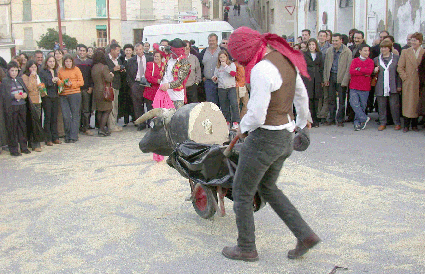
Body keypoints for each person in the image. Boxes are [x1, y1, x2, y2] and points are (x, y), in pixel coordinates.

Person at [223, 26, 319, 262]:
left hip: (265, 139)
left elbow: (256, 114)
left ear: (246, 50)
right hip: (285, 136)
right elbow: (301, 96)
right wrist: (303, 124)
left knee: (242, 191)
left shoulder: (261, 70)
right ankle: (305, 235)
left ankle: (246, 247)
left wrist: (240, 127)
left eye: (237, 55)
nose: (238, 60)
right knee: (268, 187)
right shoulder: (285, 59)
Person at [0, 61, 44, 156]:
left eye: (16, 70)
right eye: (12, 71)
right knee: (12, 128)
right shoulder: (5, 81)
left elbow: (25, 90)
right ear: (8, 71)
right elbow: (4, 95)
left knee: (22, 127)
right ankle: (14, 149)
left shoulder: (19, 79)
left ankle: (24, 147)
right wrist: (13, 96)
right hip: (12, 107)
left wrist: (24, 94)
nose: (14, 73)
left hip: (22, 105)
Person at [397, 32, 425, 132]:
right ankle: (406, 125)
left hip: (420, 82)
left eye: (415, 40)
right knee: (407, 103)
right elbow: (400, 67)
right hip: (409, 81)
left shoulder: (423, 52)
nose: (412, 42)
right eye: (411, 40)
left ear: (420, 42)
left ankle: (415, 124)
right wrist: (405, 77)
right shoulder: (405, 51)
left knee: (417, 103)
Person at [323, 33, 352, 126]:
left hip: (341, 77)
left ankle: (340, 120)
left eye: (336, 41)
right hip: (331, 77)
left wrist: (345, 80)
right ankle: (331, 118)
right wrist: (326, 78)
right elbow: (326, 66)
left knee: (342, 101)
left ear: (341, 41)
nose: (334, 43)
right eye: (333, 41)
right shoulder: (329, 51)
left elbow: (349, 67)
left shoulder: (347, 52)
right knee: (331, 99)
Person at [373, 39, 402, 131]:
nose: (383, 49)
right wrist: (374, 71)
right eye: (381, 47)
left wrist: (399, 85)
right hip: (380, 86)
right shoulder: (376, 59)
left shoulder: (396, 58)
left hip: (393, 85)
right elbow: (372, 74)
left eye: (385, 47)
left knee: (394, 106)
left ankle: (397, 123)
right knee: (381, 106)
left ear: (389, 48)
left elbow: (398, 74)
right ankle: (382, 123)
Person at [155, 38, 191, 109]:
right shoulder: (168, 57)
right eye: (175, 50)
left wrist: (168, 85)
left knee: (177, 116)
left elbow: (180, 81)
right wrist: (163, 48)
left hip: (176, 95)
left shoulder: (184, 62)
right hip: (164, 93)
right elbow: (155, 45)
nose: (176, 53)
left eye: (179, 50)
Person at [57, 55, 84, 143]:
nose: (68, 63)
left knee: (75, 115)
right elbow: (58, 80)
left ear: (72, 62)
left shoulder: (76, 69)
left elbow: (81, 82)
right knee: (66, 116)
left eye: (70, 61)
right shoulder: (61, 70)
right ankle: (67, 135)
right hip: (64, 94)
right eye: (66, 61)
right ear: (64, 62)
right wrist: (63, 83)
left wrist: (72, 84)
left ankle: (74, 135)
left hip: (74, 93)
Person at [348, 44, 374, 131]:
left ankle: (357, 123)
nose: (367, 52)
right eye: (365, 50)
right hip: (354, 86)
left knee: (362, 105)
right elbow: (352, 71)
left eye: (368, 51)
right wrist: (363, 71)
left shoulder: (370, 61)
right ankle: (364, 118)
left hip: (365, 87)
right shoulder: (355, 60)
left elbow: (369, 72)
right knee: (354, 103)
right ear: (360, 51)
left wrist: (359, 69)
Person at [212, 50, 240, 128]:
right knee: (224, 105)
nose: (222, 59)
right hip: (221, 88)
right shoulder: (217, 67)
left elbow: (233, 74)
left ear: (227, 57)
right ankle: (227, 121)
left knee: (234, 104)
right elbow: (217, 77)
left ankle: (235, 121)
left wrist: (226, 66)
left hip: (231, 87)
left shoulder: (231, 65)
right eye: (220, 57)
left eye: (224, 57)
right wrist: (215, 79)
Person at [39, 55, 62, 145]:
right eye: (50, 61)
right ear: (46, 62)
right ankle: (48, 139)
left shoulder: (56, 71)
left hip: (55, 95)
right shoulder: (43, 72)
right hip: (47, 96)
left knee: (54, 117)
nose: (52, 63)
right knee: (48, 117)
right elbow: (42, 84)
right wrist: (52, 81)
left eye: (53, 61)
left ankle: (55, 137)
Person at [91, 51, 115, 136]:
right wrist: (111, 75)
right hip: (104, 91)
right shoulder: (104, 67)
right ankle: (101, 129)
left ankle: (100, 128)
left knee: (100, 110)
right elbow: (108, 79)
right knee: (107, 109)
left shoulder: (94, 67)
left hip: (96, 91)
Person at [22, 60, 43, 151]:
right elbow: (29, 88)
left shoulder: (37, 76)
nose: (33, 69)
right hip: (31, 101)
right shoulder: (26, 76)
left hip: (38, 99)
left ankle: (34, 141)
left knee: (37, 121)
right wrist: (32, 76)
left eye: (35, 67)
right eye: (31, 67)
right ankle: (35, 143)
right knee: (34, 122)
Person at [126, 43, 147, 130]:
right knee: (137, 105)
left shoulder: (149, 58)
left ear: (143, 49)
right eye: (137, 50)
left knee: (149, 104)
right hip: (136, 83)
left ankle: (151, 122)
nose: (139, 51)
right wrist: (132, 85)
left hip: (148, 84)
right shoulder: (131, 61)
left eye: (140, 49)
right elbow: (128, 74)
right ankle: (141, 123)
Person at [303, 38, 323, 127]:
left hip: (317, 79)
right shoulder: (304, 54)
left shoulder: (319, 54)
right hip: (308, 79)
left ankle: (316, 119)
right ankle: (309, 119)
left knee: (316, 100)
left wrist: (322, 79)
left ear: (316, 46)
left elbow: (321, 67)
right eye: (310, 45)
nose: (311, 46)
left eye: (313, 45)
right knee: (309, 99)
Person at [74, 44, 94, 136]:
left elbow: (92, 76)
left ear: (86, 52)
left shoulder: (90, 62)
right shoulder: (74, 62)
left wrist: (91, 86)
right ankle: (77, 128)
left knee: (86, 110)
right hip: (76, 89)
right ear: (78, 51)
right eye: (80, 51)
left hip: (86, 88)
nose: (82, 52)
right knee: (77, 110)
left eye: (83, 51)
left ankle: (86, 127)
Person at [199, 33, 221, 105]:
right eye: (210, 41)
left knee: (222, 102)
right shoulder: (203, 52)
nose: (211, 42)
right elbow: (200, 66)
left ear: (217, 41)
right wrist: (203, 77)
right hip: (208, 82)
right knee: (211, 104)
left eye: (213, 40)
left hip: (221, 81)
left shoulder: (222, 50)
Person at [106, 43, 123, 132]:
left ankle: (114, 124)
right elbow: (105, 71)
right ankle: (111, 126)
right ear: (112, 50)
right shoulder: (106, 59)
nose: (118, 53)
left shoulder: (119, 60)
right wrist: (113, 69)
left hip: (117, 85)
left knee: (115, 106)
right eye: (117, 51)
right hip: (110, 86)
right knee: (111, 106)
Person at [118, 44, 135, 126]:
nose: (128, 52)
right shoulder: (121, 60)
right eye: (126, 50)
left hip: (133, 84)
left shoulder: (135, 59)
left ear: (132, 51)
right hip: (123, 84)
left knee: (133, 102)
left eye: (129, 50)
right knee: (124, 102)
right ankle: (126, 120)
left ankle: (135, 119)